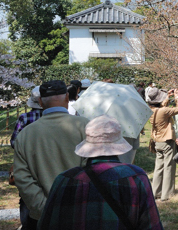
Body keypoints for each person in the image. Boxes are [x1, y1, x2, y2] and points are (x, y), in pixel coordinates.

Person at [38, 115, 164, 230]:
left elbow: (46, 224)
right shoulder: (136, 177)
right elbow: (152, 225)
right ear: (118, 144)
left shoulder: (64, 179)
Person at [13, 80, 90, 229]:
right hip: (80, 210)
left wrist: (43, 208)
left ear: (40, 102)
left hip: (42, 216)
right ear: (67, 98)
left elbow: (22, 177)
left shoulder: (26, 134)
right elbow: (94, 169)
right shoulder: (85, 126)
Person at [10, 86, 44, 228]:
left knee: (27, 195)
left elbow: (14, 142)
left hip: (28, 164)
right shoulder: (54, 118)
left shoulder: (25, 118)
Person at [149, 87, 178, 201]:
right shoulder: (164, 111)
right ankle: (166, 194)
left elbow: (160, 106)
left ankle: (155, 192)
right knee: (168, 167)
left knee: (158, 167)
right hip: (167, 141)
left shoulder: (151, 109)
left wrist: (167, 97)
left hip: (157, 141)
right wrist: (176, 97)